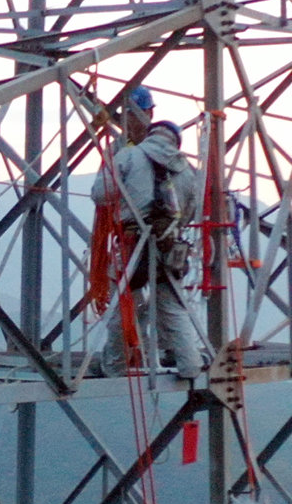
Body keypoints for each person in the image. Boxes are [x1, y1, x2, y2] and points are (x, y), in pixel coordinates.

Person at [88, 87, 208, 377]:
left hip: (133, 243)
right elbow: (192, 207)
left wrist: (111, 160)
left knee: (125, 305)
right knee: (171, 305)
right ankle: (190, 364)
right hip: (168, 244)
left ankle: (116, 364)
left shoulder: (129, 156)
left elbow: (100, 194)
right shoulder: (185, 167)